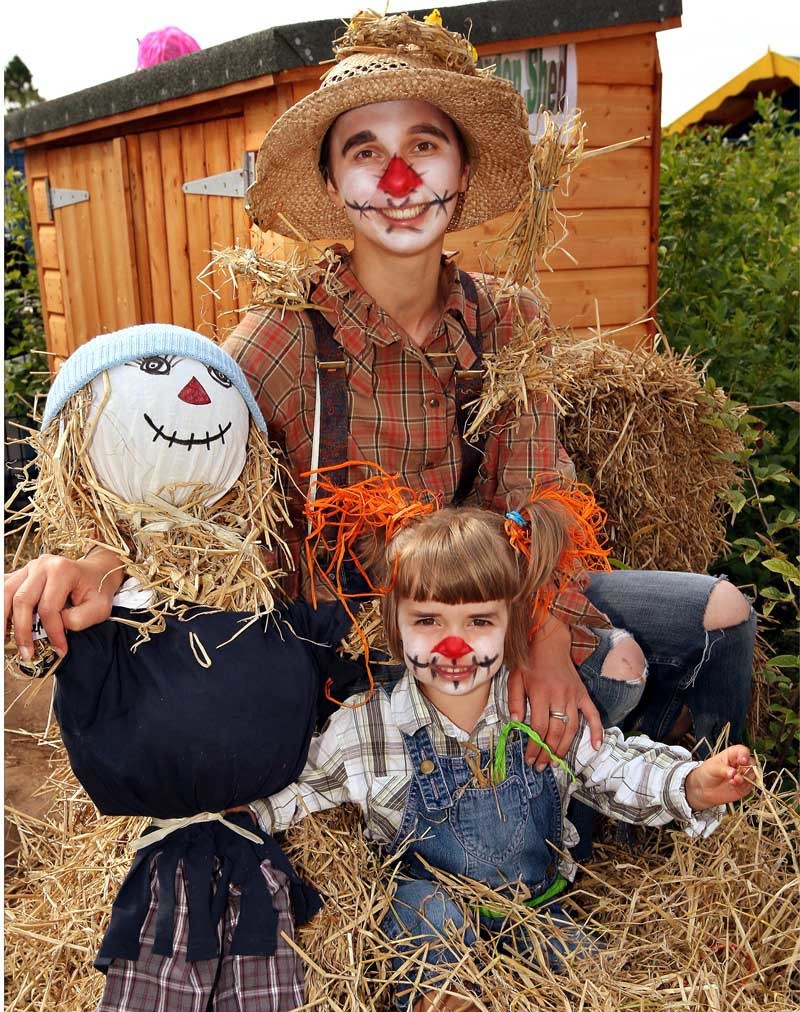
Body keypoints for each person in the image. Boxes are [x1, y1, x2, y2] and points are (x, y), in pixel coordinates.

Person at [4, 11, 755, 808]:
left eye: (423, 147)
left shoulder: (507, 320)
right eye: (367, 154)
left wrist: (543, 630)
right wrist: (91, 561)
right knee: (614, 665)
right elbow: (187, 488)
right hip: (364, 647)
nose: (398, 183)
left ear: (459, 172)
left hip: (494, 604)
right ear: (334, 186)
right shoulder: (285, 339)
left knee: (721, 612)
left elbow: (544, 489)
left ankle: (684, 826)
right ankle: (508, 831)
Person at [21, 326, 349, 1012]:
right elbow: (38, 636)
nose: (196, 394)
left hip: (261, 860)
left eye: (210, 377)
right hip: (169, 871)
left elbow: (345, 650)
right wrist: (60, 586)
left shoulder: (264, 596)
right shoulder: (105, 605)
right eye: (160, 374)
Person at [251, 497, 755, 1012]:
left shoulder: (535, 715)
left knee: (610, 999)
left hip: (532, 909)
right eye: (427, 621)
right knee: (424, 909)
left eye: (479, 621)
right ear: (395, 628)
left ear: (513, 625)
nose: (453, 646)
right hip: (432, 911)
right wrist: (235, 814)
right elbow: (299, 789)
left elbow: (611, 767)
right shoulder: (367, 728)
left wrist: (688, 784)